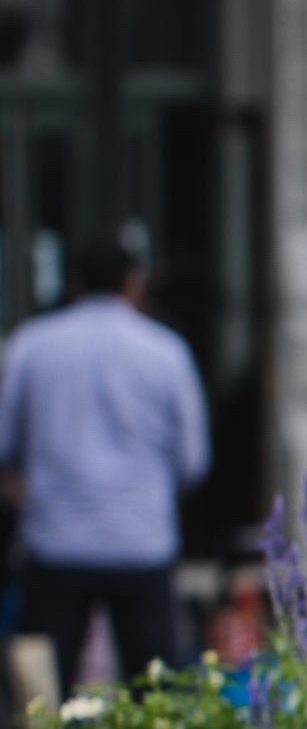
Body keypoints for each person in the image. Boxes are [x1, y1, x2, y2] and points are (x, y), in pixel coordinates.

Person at [0, 232, 210, 685]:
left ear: (73, 283)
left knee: (43, 697)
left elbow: (5, 445)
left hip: (56, 541)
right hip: (141, 541)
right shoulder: (166, 351)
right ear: (134, 284)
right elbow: (192, 459)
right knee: (153, 696)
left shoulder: (31, 346)